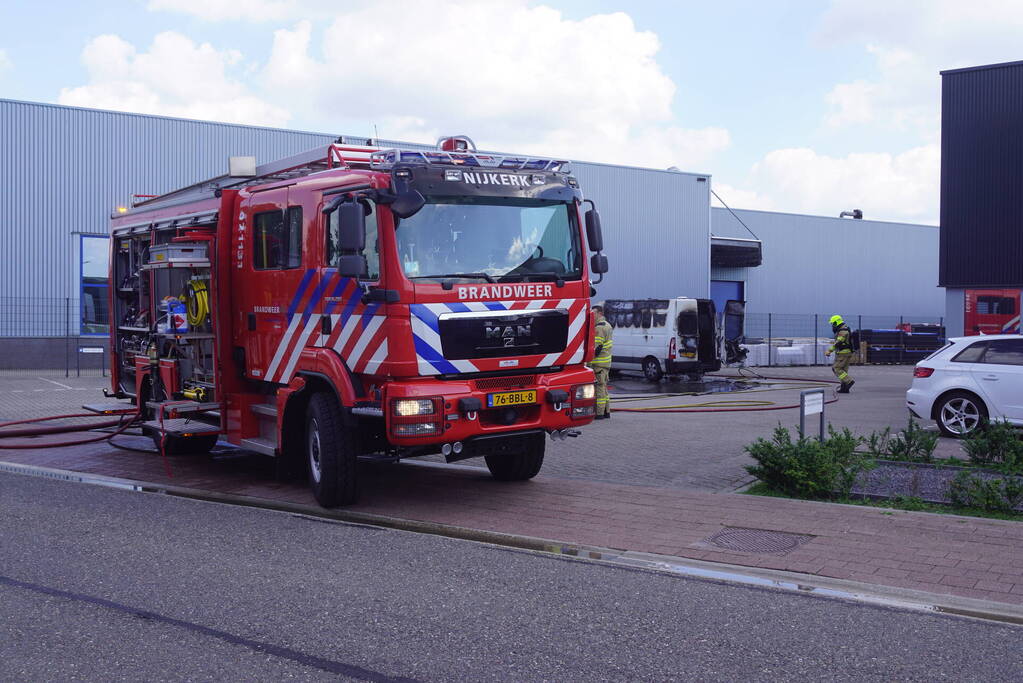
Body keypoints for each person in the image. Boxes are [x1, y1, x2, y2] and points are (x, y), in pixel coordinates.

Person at [588, 305, 614, 419]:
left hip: (598, 364)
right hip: (606, 363)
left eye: (593, 313)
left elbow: (596, 349)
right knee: (603, 388)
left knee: (599, 388)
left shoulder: (599, 328)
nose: (591, 315)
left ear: (599, 313)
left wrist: (588, 362)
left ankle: (599, 414)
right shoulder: (607, 325)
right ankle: (606, 411)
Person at [825, 314, 856, 393]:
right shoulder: (845, 329)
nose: (832, 326)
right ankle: (844, 388)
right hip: (847, 353)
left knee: (836, 368)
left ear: (836, 323)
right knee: (843, 371)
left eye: (833, 324)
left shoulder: (843, 331)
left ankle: (849, 381)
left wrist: (829, 351)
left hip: (843, 353)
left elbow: (838, 343)